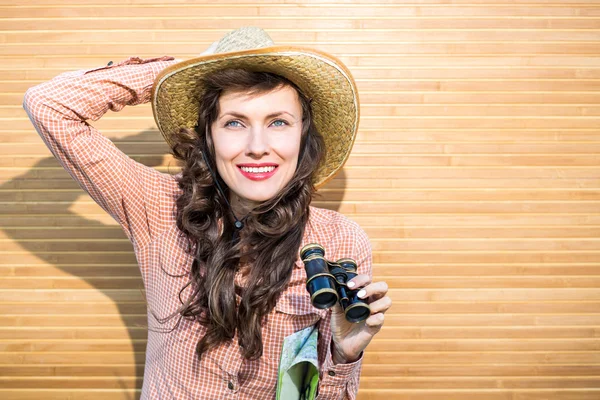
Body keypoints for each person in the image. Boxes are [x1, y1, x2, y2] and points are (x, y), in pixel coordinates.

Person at [23, 27, 391, 400]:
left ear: (301, 135)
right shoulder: (156, 205)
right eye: (234, 123)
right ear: (209, 137)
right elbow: (49, 104)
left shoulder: (339, 240)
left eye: (278, 122)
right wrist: (187, 70)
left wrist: (345, 354)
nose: (258, 147)